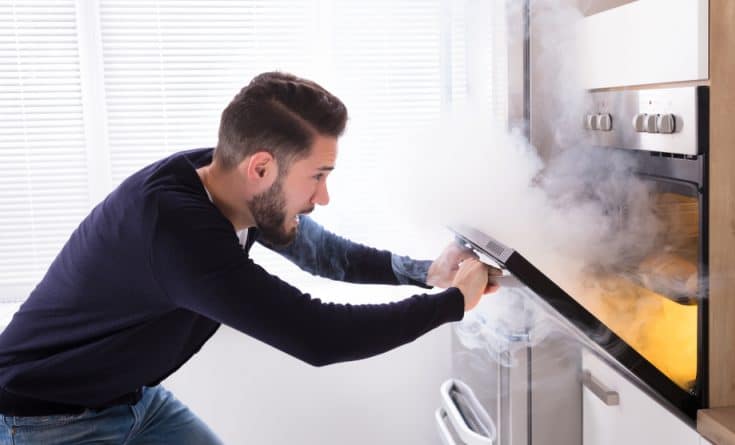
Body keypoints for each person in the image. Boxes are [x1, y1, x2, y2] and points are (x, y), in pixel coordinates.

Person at [0, 72, 498, 444]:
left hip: (133, 400)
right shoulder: (175, 230)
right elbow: (316, 334)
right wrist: (452, 304)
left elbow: (322, 253)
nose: (322, 198)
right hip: (43, 420)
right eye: (318, 176)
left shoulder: (222, 178)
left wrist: (425, 275)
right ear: (261, 167)